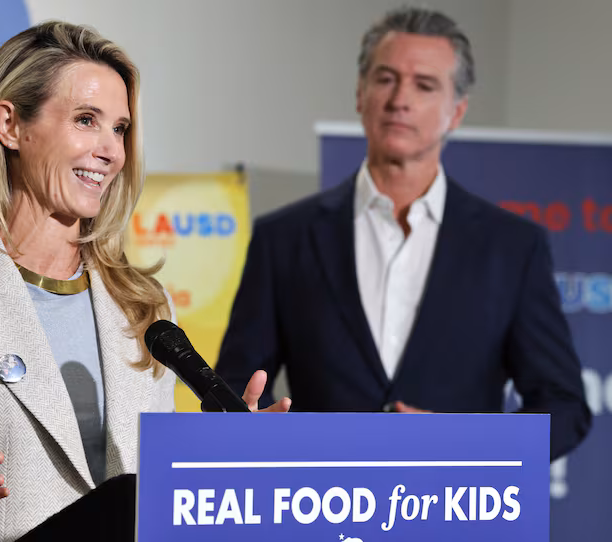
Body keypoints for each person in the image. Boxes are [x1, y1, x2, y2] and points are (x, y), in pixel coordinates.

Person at [0, 22, 286, 542]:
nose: (111, 151)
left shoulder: (144, 309)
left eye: (119, 128)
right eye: (86, 120)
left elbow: (145, 502)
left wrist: (222, 462)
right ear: (10, 125)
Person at [216, 6, 591, 461]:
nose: (400, 99)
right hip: (321, 510)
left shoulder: (512, 246)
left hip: (457, 514)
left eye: (425, 85)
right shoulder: (284, 237)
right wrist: (245, 427)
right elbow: (235, 389)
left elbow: (564, 406)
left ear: (457, 111)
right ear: (360, 92)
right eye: (385, 78)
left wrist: (464, 442)